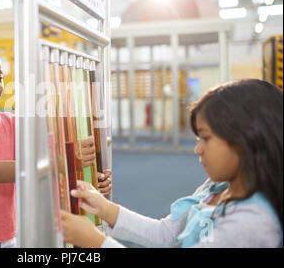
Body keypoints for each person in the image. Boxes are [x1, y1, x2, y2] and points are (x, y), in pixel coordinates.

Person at [60, 79, 283, 248]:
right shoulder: (216, 188)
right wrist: (105, 208)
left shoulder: (251, 223)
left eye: (206, 138)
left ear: (245, 140)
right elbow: (166, 234)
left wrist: (98, 242)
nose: (198, 149)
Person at [0, 43, 111, 248]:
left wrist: (94, 178)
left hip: (8, 234)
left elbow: (53, 152)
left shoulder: (12, 123)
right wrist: (67, 162)